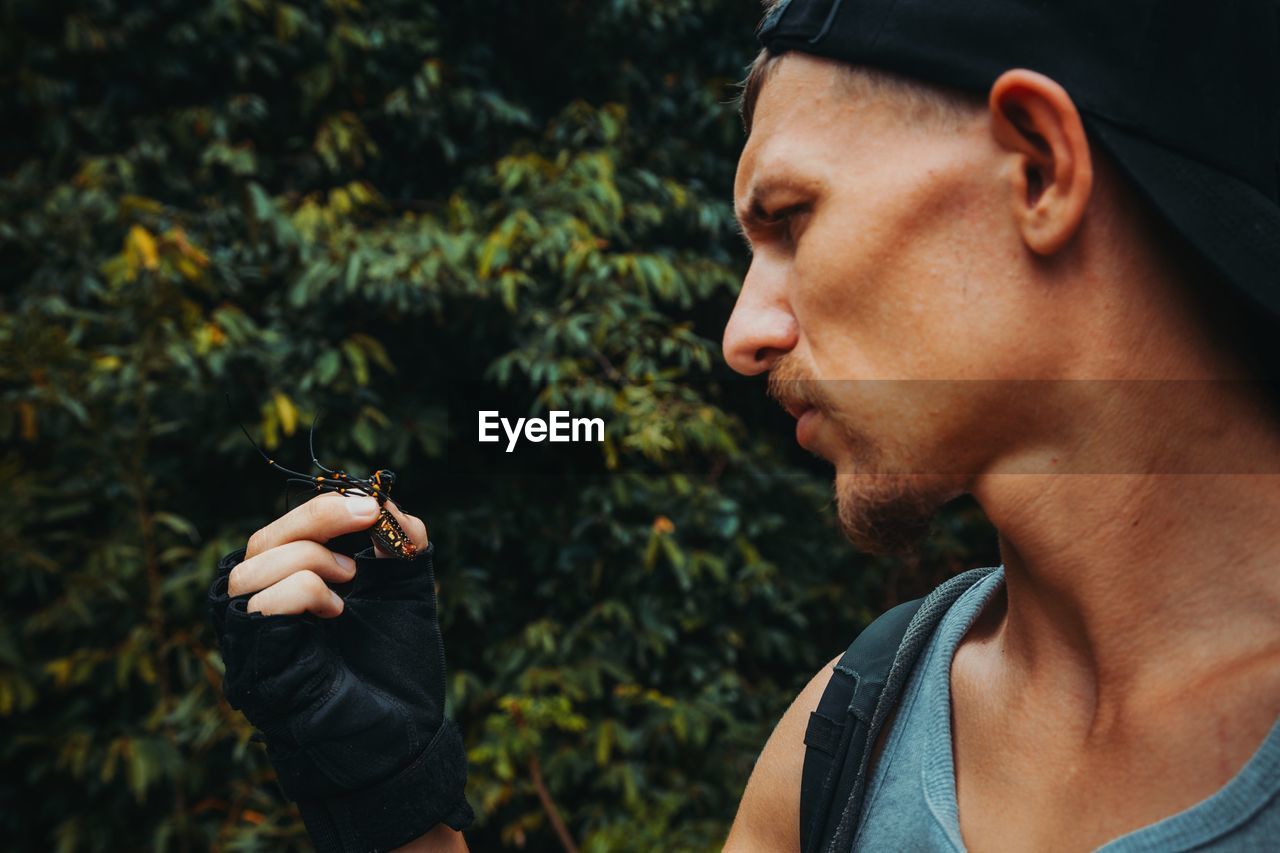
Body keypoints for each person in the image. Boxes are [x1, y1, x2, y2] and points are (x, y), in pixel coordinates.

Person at [210, 1, 1280, 850]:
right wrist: (393, 810)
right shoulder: (853, 730)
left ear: (1037, 167)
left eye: (790, 219)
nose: (742, 333)